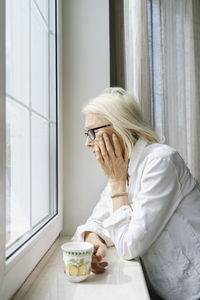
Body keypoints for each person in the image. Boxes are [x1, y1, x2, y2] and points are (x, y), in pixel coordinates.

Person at [72, 87, 200, 300]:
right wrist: (94, 240)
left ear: (120, 126)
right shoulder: (124, 169)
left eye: (93, 132)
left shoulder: (161, 162)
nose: (88, 142)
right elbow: (96, 220)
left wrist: (116, 182)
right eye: (86, 134)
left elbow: (129, 246)